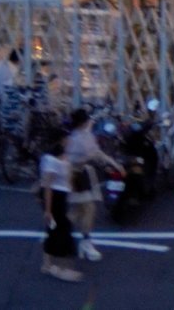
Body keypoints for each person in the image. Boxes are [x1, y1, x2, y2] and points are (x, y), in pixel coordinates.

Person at [64, 108, 119, 262]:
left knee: (79, 210)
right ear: (83, 122)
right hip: (77, 176)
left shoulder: (77, 135)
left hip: (76, 175)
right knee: (87, 209)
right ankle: (85, 243)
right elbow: (95, 154)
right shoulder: (81, 138)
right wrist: (112, 164)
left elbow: (94, 153)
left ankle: (59, 234)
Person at [38, 138, 83, 282]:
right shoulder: (51, 160)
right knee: (62, 231)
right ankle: (62, 268)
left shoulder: (64, 158)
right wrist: (48, 210)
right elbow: (47, 185)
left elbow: (68, 182)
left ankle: (47, 264)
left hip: (61, 198)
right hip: (55, 199)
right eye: (66, 140)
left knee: (53, 230)